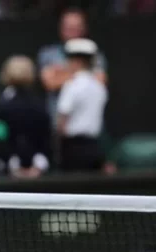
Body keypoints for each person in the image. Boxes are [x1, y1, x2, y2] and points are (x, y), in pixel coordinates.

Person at [56, 38, 111, 173]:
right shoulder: (99, 87)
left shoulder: (71, 86)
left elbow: (62, 120)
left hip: (73, 149)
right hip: (95, 147)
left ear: (77, 62)